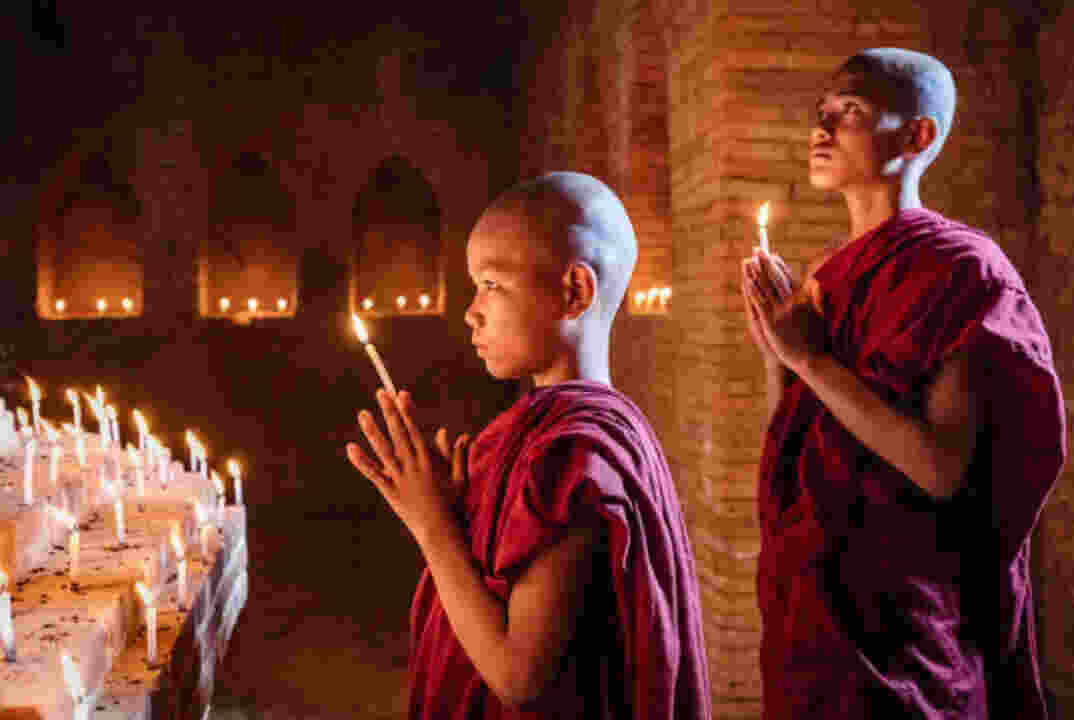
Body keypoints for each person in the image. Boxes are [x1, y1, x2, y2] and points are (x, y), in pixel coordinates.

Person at [742, 47, 1067, 718]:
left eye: (851, 112)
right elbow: (804, 440)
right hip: (815, 611)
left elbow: (941, 466)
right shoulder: (828, 274)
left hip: (903, 624)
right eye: (821, 113)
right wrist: (779, 356)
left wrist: (809, 361)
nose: (821, 130)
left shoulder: (961, 271)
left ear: (919, 136)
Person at [346, 171, 711, 719]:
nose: (472, 310)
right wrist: (458, 513)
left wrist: (430, 525)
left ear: (574, 291)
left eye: (491, 285)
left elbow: (521, 678)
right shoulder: (563, 430)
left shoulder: (573, 454)